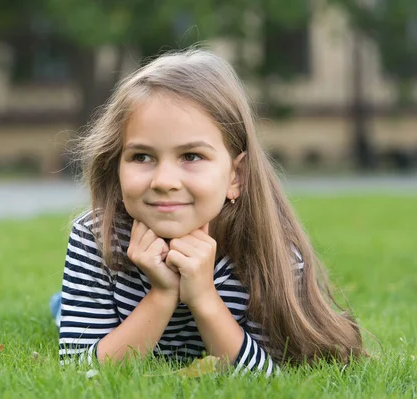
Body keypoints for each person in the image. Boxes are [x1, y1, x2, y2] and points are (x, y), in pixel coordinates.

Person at [53, 49, 365, 375]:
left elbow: (268, 378)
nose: (164, 181)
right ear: (117, 163)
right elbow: (80, 371)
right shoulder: (94, 237)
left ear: (235, 176)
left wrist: (203, 297)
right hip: (119, 309)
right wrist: (161, 295)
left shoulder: (269, 251)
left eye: (191, 156)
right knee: (64, 311)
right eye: (142, 157)